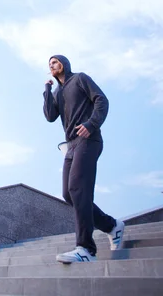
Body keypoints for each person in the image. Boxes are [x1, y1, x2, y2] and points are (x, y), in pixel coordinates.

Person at [43, 54, 125, 263]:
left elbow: (101, 100)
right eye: (49, 64)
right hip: (70, 146)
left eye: (54, 61)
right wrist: (46, 91)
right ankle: (111, 226)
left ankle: (86, 248)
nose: (51, 65)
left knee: (78, 188)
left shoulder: (80, 78)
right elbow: (50, 116)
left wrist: (91, 124)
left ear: (64, 63)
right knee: (69, 194)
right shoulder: (56, 92)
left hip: (88, 140)